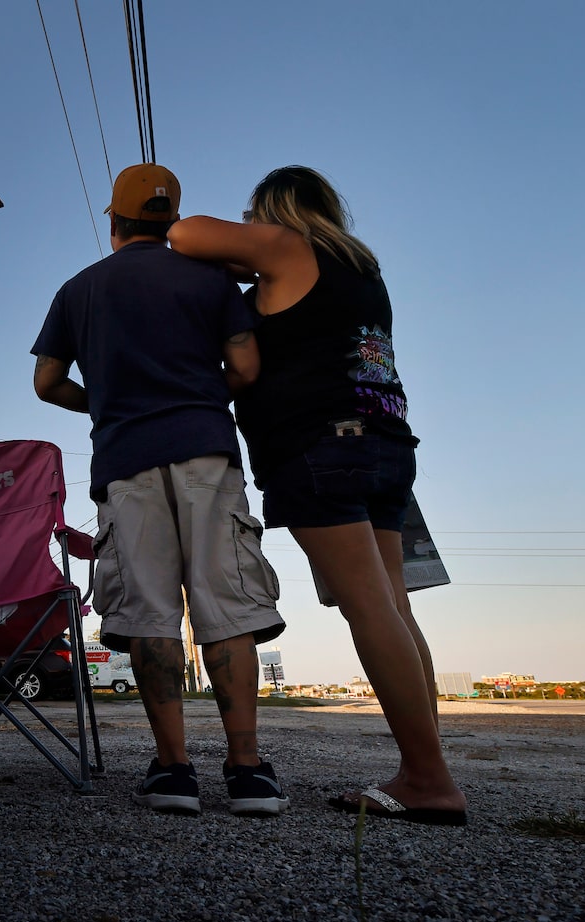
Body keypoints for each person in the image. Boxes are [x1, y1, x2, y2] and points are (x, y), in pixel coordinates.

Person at [166, 165, 468, 826]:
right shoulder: (357, 270)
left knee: (366, 606)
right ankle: (423, 767)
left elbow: (184, 233)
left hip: (319, 448)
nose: (250, 229)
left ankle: (428, 779)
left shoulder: (283, 245)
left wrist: (242, 258)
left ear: (274, 210)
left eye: (254, 216)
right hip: (385, 445)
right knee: (391, 605)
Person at [31, 164, 290, 818]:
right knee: (225, 603)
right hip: (206, 448)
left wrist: (106, 405)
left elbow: (46, 382)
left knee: (148, 609)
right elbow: (247, 366)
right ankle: (247, 771)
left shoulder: (79, 289)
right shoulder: (208, 280)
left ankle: (173, 771)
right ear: (169, 219)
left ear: (113, 221)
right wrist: (199, 398)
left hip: (126, 459)